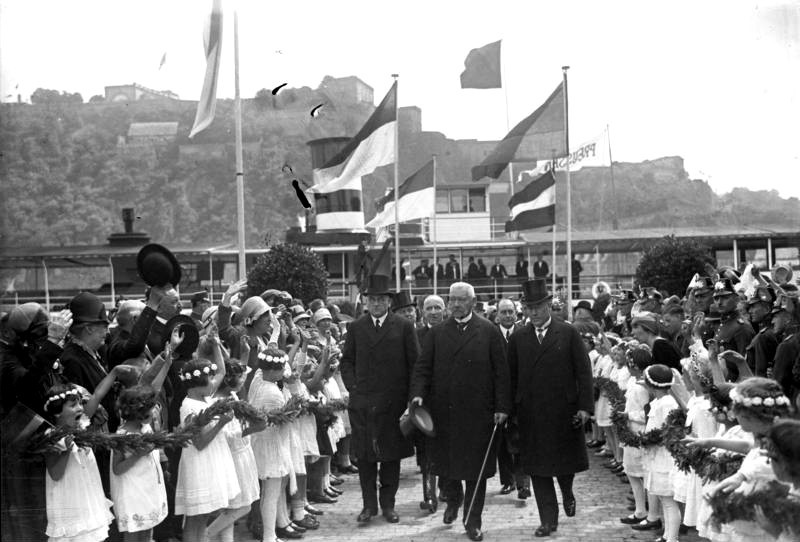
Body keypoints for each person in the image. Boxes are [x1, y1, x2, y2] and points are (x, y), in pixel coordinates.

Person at [411, 282, 510, 542]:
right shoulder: (438, 333)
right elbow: (423, 368)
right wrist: (418, 393)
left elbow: (502, 373)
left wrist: (502, 407)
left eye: (461, 300)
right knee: (447, 464)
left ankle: (472, 520)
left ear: (473, 303)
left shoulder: (488, 331)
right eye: (452, 299)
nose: (455, 304)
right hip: (445, 413)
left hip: (478, 414)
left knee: (475, 469)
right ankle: (453, 501)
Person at [506, 278, 593, 538]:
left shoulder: (567, 332)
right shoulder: (518, 337)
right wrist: (510, 409)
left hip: (563, 412)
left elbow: (584, 372)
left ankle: (567, 491)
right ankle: (547, 520)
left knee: (564, 465)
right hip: (530, 413)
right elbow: (510, 376)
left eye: (538, 306)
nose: (533, 312)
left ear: (548, 305)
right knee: (537, 468)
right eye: (528, 307)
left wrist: (584, 407)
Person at [340, 274, 419, 524]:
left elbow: (415, 365)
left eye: (380, 299)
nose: (375, 304)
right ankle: (368, 507)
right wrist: (354, 387)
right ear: (366, 301)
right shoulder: (356, 327)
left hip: (392, 404)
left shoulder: (404, 327)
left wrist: (410, 398)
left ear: (388, 301)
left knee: (390, 457)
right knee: (365, 458)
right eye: (371, 299)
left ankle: (388, 505)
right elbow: (347, 362)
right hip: (363, 404)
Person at [42, 366, 129, 542]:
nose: (80, 408)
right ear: (58, 410)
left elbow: (96, 395)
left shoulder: (81, 426)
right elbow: (55, 474)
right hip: (71, 502)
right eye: (73, 405)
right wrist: (66, 448)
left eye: (80, 403)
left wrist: (113, 373)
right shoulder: (52, 437)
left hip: (89, 499)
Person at [174, 356, 239, 542]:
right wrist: (221, 424)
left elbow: (222, 371)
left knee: (204, 517)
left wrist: (216, 344)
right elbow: (199, 443)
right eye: (210, 379)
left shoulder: (204, 399)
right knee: (195, 518)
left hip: (211, 461)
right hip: (199, 464)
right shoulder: (189, 407)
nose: (214, 382)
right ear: (196, 384)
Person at [110, 385, 168, 541]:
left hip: (149, 488)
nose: (155, 410)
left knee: (147, 533)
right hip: (133, 492)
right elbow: (117, 469)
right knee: (134, 534)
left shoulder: (145, 427)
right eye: (151, 408)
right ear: (138, 412)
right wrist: (138, 455)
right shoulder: (122, 436)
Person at [640, 364, 682, 542]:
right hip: (657, 455)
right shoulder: (659, 402)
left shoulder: (666, 403)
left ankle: (672, 538)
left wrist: (648, 439)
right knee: (663, 498)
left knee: (668, 501)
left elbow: (666, 431)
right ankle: (667, 535)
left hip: (665, 456)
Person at [494, 299, 529, 499]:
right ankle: (507, 481)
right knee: (501, 443)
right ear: (497, 314)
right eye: (504, 312)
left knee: (521, 441)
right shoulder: (490, 334)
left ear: (516, 314)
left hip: (519, 397)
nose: (508, 315)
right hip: (498, 396)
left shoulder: (524, 333)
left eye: (511, 312)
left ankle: (523, 483)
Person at [743, 285, 778, 377]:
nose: (750, 311)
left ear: (766, 309)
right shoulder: (767, 331)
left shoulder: (764, 336)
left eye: (753, 307)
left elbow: (760, 373)